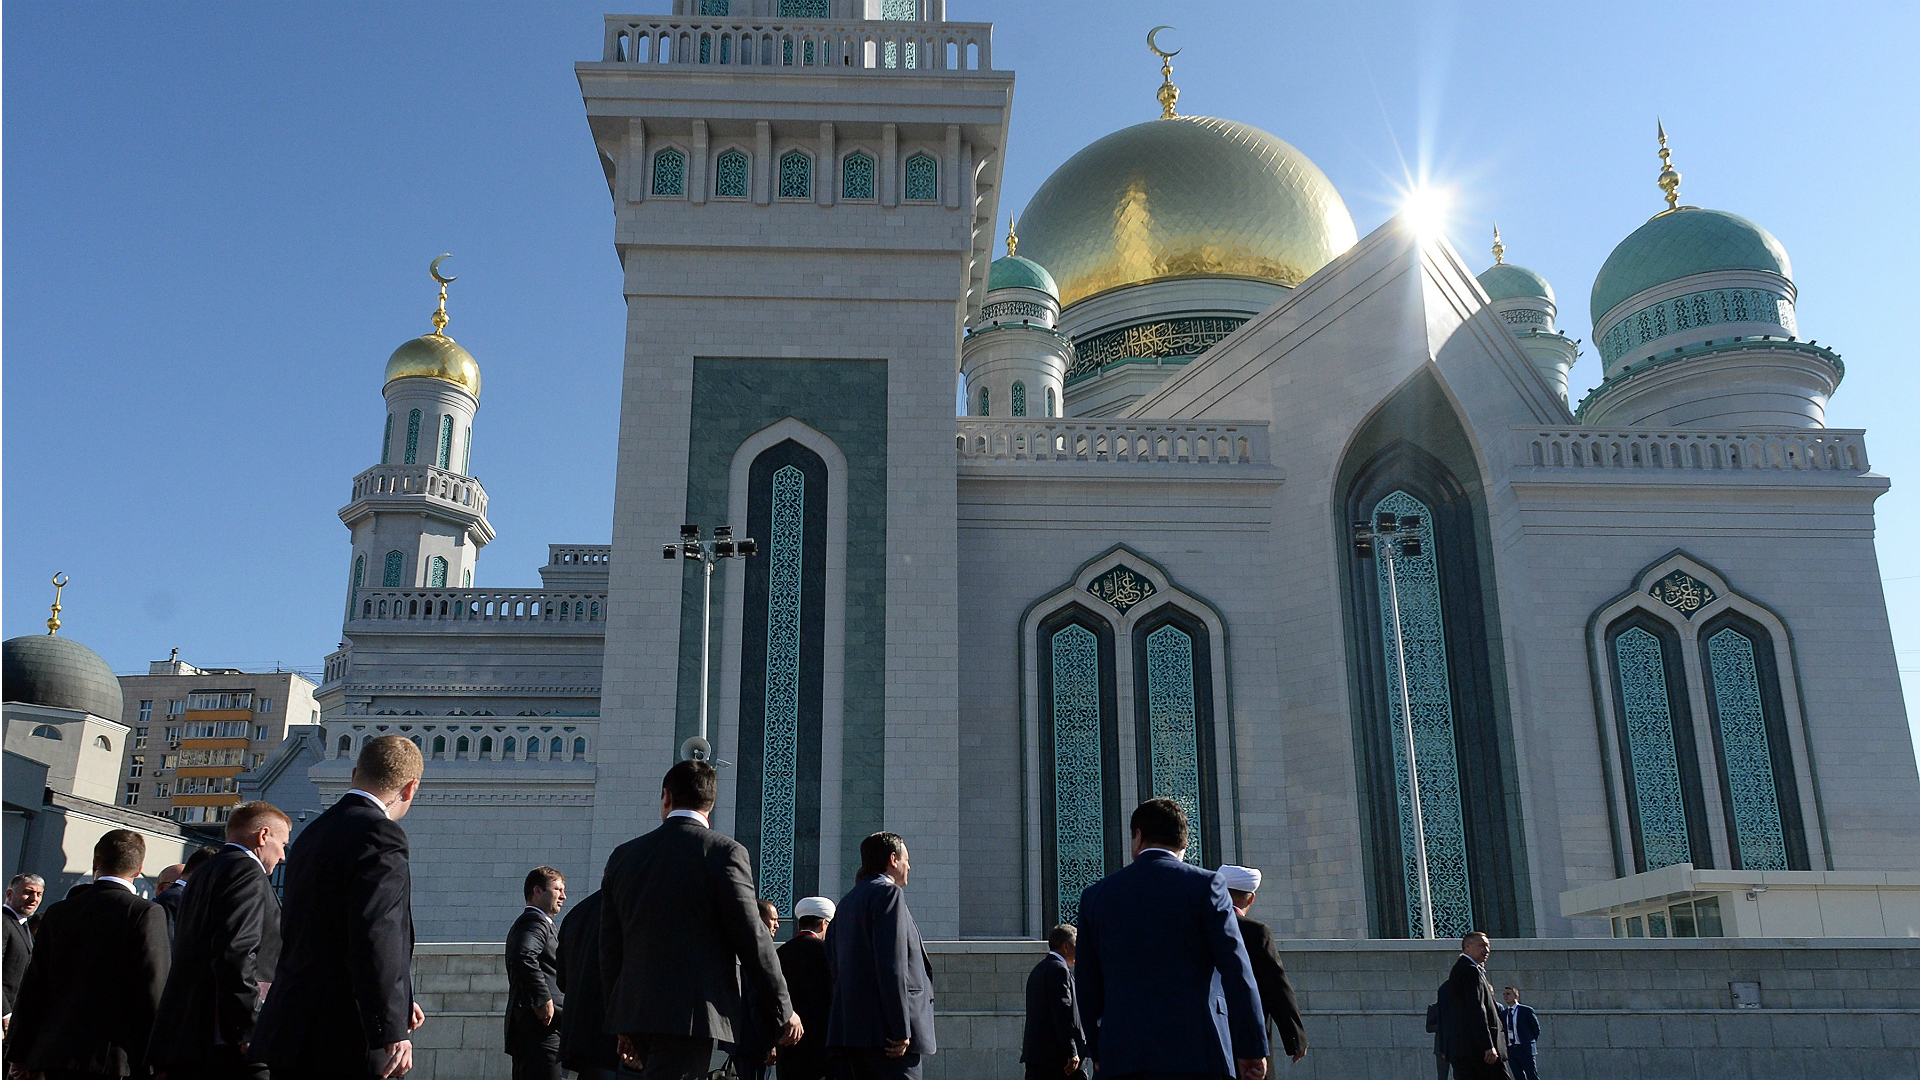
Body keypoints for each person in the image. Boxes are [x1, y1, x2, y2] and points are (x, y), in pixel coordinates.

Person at [599, 759, 800, 1080]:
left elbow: (610, 946)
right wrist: (782, 1007)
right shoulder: (724, 852)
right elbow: (752, 938)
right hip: (693, 1010)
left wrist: (621, 1018)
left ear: (666, 797)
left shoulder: (624, 856)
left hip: (638, 1010)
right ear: (711, 803)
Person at [253, 735, 426, 1080]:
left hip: (292, 1025)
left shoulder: (312, 832)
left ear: (353, 774)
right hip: (344, 1032)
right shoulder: (381, 833)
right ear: (409, 789)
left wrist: (400, 997)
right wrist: (392, 1025)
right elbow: (377, 931)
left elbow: (314, 930)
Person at [1075, 798, 1268, 1080]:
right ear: (1184, 844)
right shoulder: (1207, 886)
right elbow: (1236, 969)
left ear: (1138, 836)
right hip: (1198, 1052)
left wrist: (1098, 1049)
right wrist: (1251, 1047)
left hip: (1125, 1054)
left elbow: (1088, 984)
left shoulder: (1096, 896)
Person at [4, 830, 170, 1079]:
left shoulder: (58, 912)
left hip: (53, 1054)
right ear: (139, 869)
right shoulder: (144, 913)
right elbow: (153, 988)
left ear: (96, 863)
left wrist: (18, 1053)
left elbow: (34, 987)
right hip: (111, 1058)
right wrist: (161, 1057)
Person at [148, 801, 293, 1080]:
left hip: (189, 1033)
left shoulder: (204, 871)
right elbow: (236, 951)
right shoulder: (246, 872)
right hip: (225, 1040)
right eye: (283, 843)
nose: (283, 856)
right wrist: (249, 1025)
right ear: (263, 836)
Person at [826, 831, 935, 1080]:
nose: (910, 866)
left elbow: (836, 966)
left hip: (855, 1033)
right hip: (888, 1039)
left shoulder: (848, 902)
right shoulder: (888, 895)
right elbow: (892, 965)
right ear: (893, 859)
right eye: (906, 859)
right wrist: (900, 1028)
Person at [1218, 866, 1307, 1066]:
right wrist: (1295, 1038)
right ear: (1250, 899)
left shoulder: (1196, 926)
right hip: (1247, 1039)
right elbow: (1276, 985)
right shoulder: (1255, 932)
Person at [507, 866, 569, 1080]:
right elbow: (523, 955)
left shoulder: (541, 925)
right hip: (541, 1030)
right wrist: (542, 999)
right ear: (537, 891)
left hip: (541, 1031)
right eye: (557, 889)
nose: (563, 896)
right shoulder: (534, 922)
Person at [555, 887, 623, 1080]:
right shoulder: (628, 908)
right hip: (615, 1041)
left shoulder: (576, 913)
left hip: (580, 1038)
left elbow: (562, 980)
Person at [775, 896, 835, 1080]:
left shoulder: (780, 953)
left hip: (788, 1041)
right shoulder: (830, 952)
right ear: (824, 924)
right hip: (823, 1044)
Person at [1020, 924, 1086, 1080]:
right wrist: (1072, 1052)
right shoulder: (1059, 970)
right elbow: (1062, 1013)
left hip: (1038, 1057)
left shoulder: (1039, 969)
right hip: (1058, 1061)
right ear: (1066, 946)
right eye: (1077, 945)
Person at [1441, 932, 1508, 1080]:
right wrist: (1487, 1045)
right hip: (1478, 1051)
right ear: (1467, 947)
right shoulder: (1469, 970)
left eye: (1488, 946)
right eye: (1482, 946)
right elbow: (1476, 1009)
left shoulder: (1468, 969)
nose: (1487, 950)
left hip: (1470, 1049)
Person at [733, 899, 782, 1080]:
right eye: (773, 919)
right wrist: (769, 1044)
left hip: (738, 1040)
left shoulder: (737, 945)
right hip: (753, 1042)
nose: (776, 925)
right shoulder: (757, 953)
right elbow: (757, 1003)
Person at [2, 872, 44, 1037]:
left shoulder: (22, 926)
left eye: (39, 894)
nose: (34, 899)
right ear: (10, 894)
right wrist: (4, 1013)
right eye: (28, 892)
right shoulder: (4, 922)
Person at [1500, 987, 1538, 1080]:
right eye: (1504, 994)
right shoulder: (1504, 1014)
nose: (1505, 996)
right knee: (1518, 1076)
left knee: (1531, 1075)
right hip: (1511, 1049)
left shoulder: (1526, 1010)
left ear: (1516, 996)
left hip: (1524, 1048)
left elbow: (1536, 1029)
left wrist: (1529, 1041)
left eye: (1508, 994)